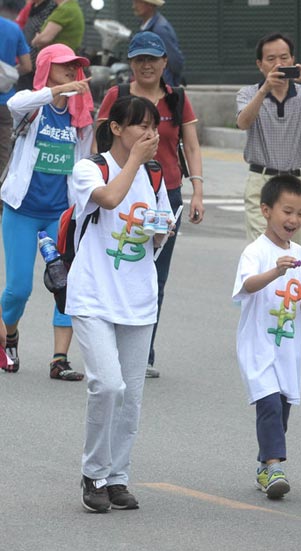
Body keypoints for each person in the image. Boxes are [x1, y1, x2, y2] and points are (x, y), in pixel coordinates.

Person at [69, 94, 171, 513]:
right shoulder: (89, 168)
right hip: (92, 294)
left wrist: (159, 228)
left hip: (138, 297)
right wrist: (135, 163)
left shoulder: (155, 176)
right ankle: (93, 472)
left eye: (153, 127)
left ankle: (117, 477)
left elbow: (162, 229)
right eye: (139, 127)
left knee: (131, 396)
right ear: (116, 128)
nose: (149, 134)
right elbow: (108, 199)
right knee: (107, 385)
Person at [96, 30, 204, 379]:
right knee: (117, 268)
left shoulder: (176, 98)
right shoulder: (118, 95)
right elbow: (99, 142)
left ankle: (143, 353)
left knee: (154, 276)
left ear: (164, 62)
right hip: (121, 192)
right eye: (139, 58)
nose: (146, 65)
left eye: (152, 59)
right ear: (131, 62)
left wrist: (197, 191)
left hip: (164, 195)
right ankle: (108, 346)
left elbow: (191, 146)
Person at [1, 44, 92, 380]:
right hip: (22, 212)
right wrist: (53, 91)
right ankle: (9, 335)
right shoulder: (33, 108)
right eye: (64, 65)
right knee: (18, 289)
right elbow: (13, 101)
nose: (72, 71)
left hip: (60, 215)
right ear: (46, 67)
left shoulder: (81, 116)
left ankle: (59, 360)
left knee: (66, 285)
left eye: (76, 67)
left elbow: (82, 164)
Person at [233, 175, 301, 498]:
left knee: (280, 408)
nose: (294, 220)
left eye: (300, 213)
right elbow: (247, 286)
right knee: (267, 403)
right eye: (287, 211)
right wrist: (275, 272)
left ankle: (264, 465)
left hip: (287, 348)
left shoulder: (300, 254)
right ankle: (275, 466)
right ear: (266, 210)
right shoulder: (255, 252)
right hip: (257, 345)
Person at [237, 32, 301, 247]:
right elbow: (243, 122)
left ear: (293, 60)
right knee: (261, 248)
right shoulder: (248, 93)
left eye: (284, 58)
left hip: (296, 181)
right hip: (262, 180)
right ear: (260, 64)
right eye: (271, 59)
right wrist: (265, 90)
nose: (278, 64)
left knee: (296, 249)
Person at [0, 14, 32, 196]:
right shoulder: (13, 29)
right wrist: (8, 74)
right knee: (4, 148)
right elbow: (27, 66)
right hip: (6, 101)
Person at [132, 0, 185, 87]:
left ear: (150, 6)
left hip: (161, 86)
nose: (134, 7)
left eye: (138, 3)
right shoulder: (146, 26)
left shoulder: (160, 29)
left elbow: (174, 60)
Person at [14, 0, 54, 91]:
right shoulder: (31, 6)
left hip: (37, 59)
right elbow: (19, 23)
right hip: (23, 55)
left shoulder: (51, 7)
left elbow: (43, 36)